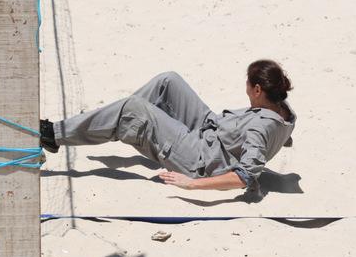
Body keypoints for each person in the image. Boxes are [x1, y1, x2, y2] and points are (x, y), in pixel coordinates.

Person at [40, 59, 296, 191]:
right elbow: (279, 137)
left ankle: (55, 135)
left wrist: (192, 184)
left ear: (259, 89)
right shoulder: (284, 111)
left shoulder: (260, 128)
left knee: (133, 109)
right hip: (210, 131)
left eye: (249, 86)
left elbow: (246, 177)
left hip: (199, 159)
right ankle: (115, 120)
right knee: (168, 81)